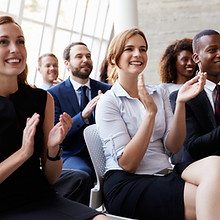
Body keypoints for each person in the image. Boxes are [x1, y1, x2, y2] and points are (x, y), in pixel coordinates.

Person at [95, 27, 220, 220]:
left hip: (164, 173)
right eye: (129, 49)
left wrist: (180, 103)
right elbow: (128, 164)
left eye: (143, 49)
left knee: (215, 163)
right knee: (213, 200)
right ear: (114, 58)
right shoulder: (109, 102)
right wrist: (150, 114)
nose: (138, 54)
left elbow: (174, 146)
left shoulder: (159, 93)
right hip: (128, 183)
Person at [0, 15, 110, 220]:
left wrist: (52, 149)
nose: (15, 48)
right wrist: (23, 153)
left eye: (20, 41)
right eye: (3, 42)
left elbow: (50, 178)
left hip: (40, 197)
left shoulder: (42, 99)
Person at [48, 42, 111, 184]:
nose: (85, 60)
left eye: (88, 56)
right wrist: (83, 115)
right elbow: (56, 134)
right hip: (72, 154)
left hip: (105, 153)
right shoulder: (53, 95)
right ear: (67, 63)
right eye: (79, 56)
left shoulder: (107, 90)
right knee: (84, 174)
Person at [38, 53, 91, 205]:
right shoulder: (47, 95)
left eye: (55, 65)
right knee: (82, 176)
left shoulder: (103, 89)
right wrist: (83, 115)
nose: (52, 68)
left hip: (94, 151)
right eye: (48, 65)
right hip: (67, 152)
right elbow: (53, 133)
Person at [170, 29, 220, 163]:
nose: (219, 54)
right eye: (212, 50)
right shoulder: (183, 97)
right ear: (196, 58)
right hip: (202, 168)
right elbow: (193, 147)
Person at [159, 38, 198, 164]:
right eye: (185, 59)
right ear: (173, 62)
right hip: (176, 144)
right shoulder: (164, 89)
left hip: (198, 140)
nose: (190, 63)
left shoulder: (200, 88)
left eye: (193, 59)